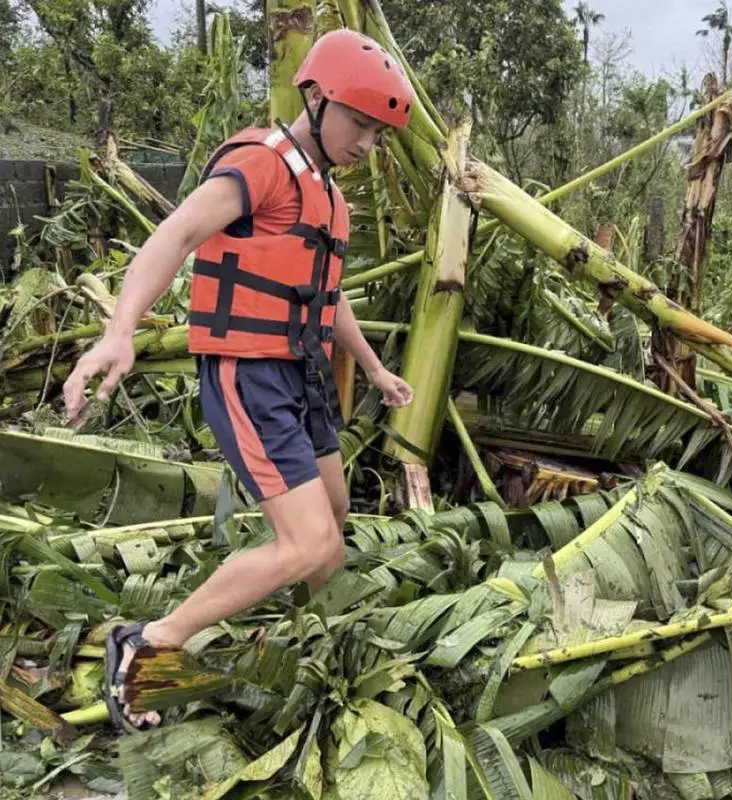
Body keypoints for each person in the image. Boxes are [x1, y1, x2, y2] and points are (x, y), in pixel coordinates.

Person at [61, 29, 418, 732]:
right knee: (310, 542)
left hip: (299, 371)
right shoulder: (261, 166)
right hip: (247, 371)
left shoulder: (329, 198)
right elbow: (177, 235)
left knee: (336, 515)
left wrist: (373, 367)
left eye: (379, 134)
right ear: (316, 98)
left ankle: (306, 636)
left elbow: (326, 291)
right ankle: (150, 641)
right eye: (359, 124)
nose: (367, 145)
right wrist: (120, 329)